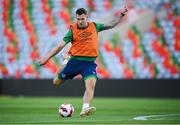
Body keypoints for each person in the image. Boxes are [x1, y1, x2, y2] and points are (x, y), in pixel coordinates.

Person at [38, 7, 128, 117]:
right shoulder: (72, 30)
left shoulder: (95, 26)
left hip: (89, 64)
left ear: (87, 17)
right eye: (78, 19)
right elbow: (60, 46)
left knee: (90, 85)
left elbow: (110, 24)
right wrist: (46, 58)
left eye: (82, 19)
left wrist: (121, 15)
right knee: (56, 82)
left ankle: (85, 108)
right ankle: (65, 62)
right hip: (74, 61)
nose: (80, 21)